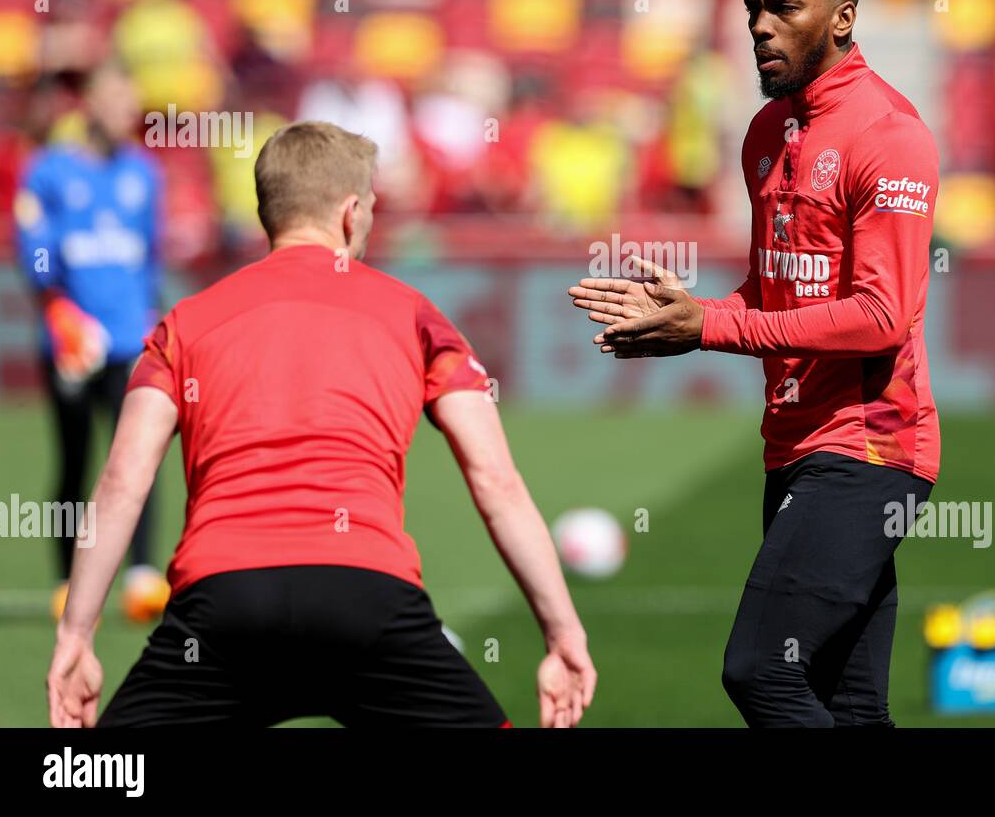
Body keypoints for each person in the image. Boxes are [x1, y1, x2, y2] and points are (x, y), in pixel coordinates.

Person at [47, 121, 595, 728]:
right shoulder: (418, 317)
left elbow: (123, 479)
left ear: (267, 214)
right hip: (367, 597)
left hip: (222, 604)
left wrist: (77, 634)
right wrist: (562, 633)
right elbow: (497, 483)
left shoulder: (185, 322)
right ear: (351, 212)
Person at [569, 0, 940, 727]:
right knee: (850, 704)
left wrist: (708, 329)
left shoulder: (889, 135)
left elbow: (882, 318)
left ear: (842, 19)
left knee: (763, 673)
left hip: (870, 449)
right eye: (751, 9)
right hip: (797, 444)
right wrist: (689, 316)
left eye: (782, 8)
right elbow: (772, 292)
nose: (759, 27)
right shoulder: (766, 134)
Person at [13, 63, 168, 623]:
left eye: (133, 103)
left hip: (130, 339)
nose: (129, 113)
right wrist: (54, 307)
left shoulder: (145, 174)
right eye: (119, 102)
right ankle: (66, 578)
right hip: (72, 343)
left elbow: (152, 254)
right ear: (93, 107)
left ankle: (143, 575)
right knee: (75, 458)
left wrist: (151, 316)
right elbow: (32, 249)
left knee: (138, 454)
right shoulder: (48, 172)